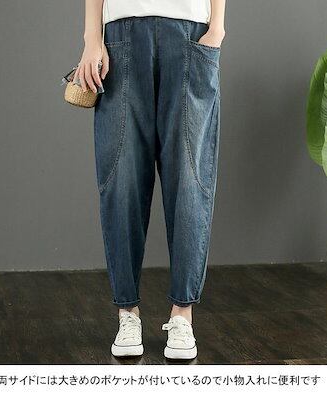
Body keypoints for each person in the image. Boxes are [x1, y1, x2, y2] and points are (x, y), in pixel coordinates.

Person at [74, 0, 226, 360]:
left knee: (189, 178)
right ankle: (127, 314)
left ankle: (183, 315)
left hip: (191, 33)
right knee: (121, 178)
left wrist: (217, 27)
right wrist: (92, 37)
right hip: (121, 35)